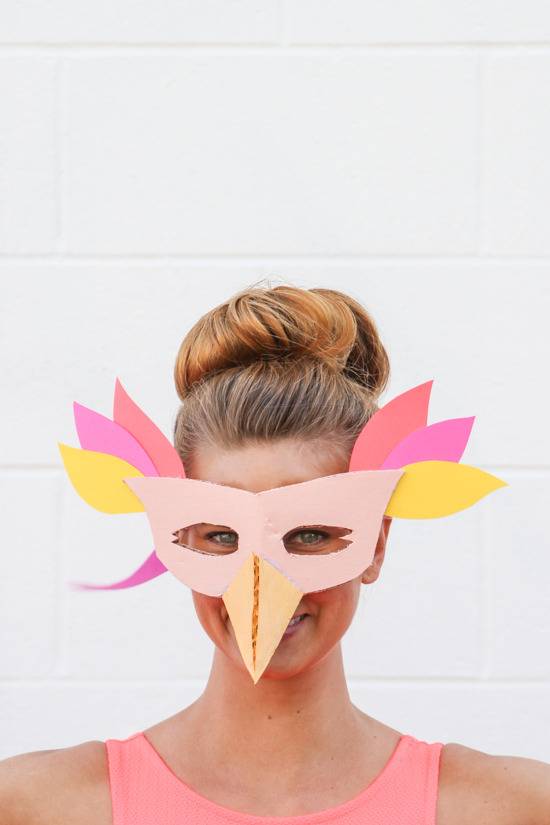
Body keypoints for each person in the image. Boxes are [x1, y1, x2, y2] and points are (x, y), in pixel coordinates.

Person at [1, 283, 549, 824]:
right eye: (221, 535)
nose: (261, 581)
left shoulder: (508, 808)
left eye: (309, 535)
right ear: (177, 538)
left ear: (376, 544)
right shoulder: (40, 807)